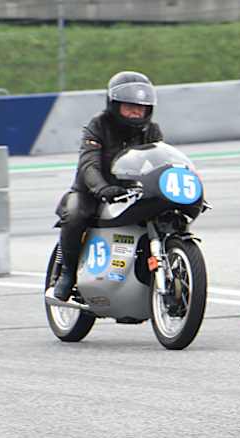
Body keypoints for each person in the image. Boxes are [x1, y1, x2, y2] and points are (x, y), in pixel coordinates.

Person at [52, 71, 163, 300]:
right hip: (92, 192)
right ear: (114, 105)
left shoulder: (152, 131)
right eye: (129, 106)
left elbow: (162, 161)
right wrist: (102, 188)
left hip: (133, 191)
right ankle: (67, 273)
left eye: (141, 107)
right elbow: (88, 164)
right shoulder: (98, 125)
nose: (136, 112)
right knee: (75, 214)